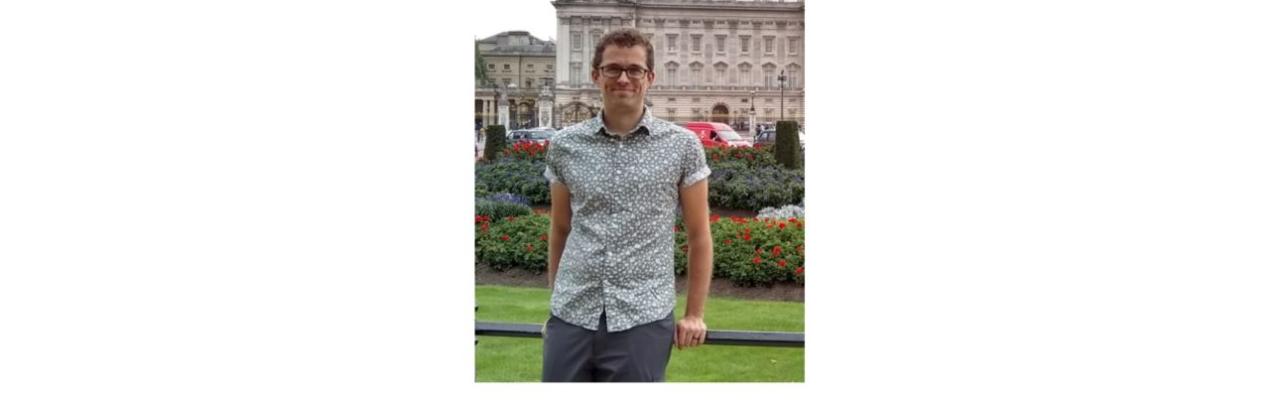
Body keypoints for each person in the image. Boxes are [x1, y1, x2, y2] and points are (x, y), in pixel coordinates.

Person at [540, 28, 713, 382]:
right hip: (572, 314)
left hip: (641, 317)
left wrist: (694, 313)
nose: (623, 78)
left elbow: (699, 236)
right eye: (613, 69)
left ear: (649, 78)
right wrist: (556, 301)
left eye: (634, 70)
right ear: (596, 75)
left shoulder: (682, 145)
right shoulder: (564, 144)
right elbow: (560, 229)